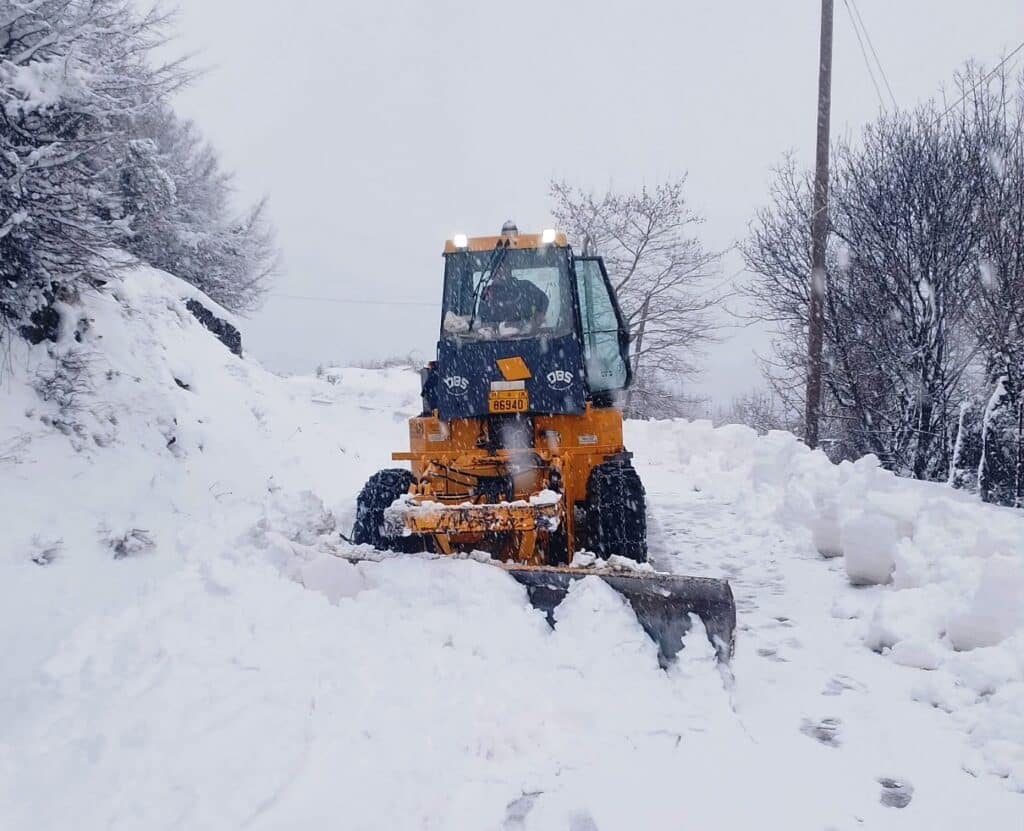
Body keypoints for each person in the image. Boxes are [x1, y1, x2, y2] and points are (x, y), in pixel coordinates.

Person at [476, 266, 549, 331]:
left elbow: (543, 299)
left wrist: (538, 318)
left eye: (504, 269)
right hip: (495, 342)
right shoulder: (487, 293)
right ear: (492, 275)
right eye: (498, 271)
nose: (501, 274)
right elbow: (483, 322)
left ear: (509, 272)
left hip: (527, 337)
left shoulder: (525, 287)